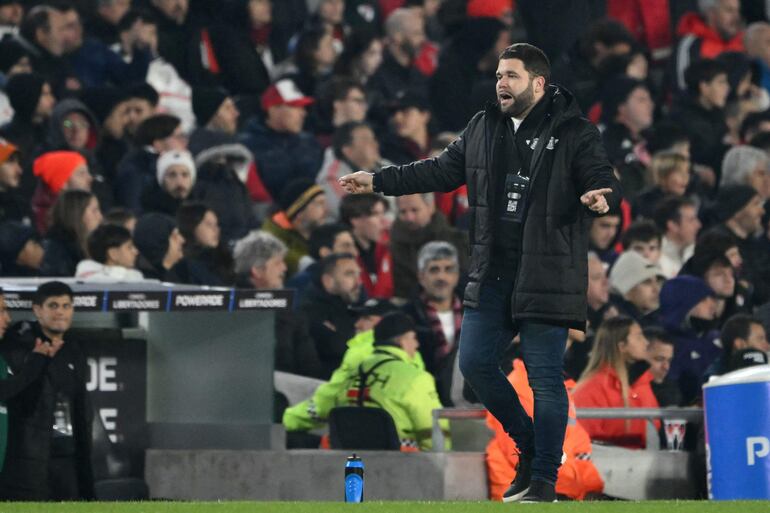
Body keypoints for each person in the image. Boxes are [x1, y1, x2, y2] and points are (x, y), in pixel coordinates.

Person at [339, 43, 621, 502]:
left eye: (511, 75)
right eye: (498, 76)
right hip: (493, 272)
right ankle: (530, 447)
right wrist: (379, 180)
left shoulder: (574, 131)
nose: (501, 84)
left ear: (539, 83)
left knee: (544, 379)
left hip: (547, 273)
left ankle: (546, 480)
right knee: (472, 363)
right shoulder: (484, 125)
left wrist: (602, 196)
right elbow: (438, 171)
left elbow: (601, 175)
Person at [0, 281, 93, 500]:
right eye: (53, 305)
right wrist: (36, 361)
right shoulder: (17, 346)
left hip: (68, 456)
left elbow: (80, 406)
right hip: (29, 459)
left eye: (66, 306)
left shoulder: (74, 350)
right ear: (37, 310)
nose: (60, 312)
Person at [335, 311, 448, 451]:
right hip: (402, 464)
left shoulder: (352, 374)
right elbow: (434, 432)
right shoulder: (415, 378)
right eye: (414, 338)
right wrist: (442, 467)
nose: (417, 344)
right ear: (402, 341)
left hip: (350, 465)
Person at [233, 230, 324, 379]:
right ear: (257, 271)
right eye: (277, 263)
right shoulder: (228, 310)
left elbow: (309, 365)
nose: (284, 268)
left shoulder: (290, 311)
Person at [0, 286, 61, 477]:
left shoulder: (1, 361)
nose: (8, 319)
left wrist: (41, 363)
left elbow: (22, 404)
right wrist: (34, 365)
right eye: (1, 311)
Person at [573, 317, 659, 449]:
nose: (646, 342)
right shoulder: (591, 388)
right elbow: (585, 441)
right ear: (622, 346)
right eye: (638, 337)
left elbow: (655, 426)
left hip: (647, 463)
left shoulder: (643, 381)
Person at [402, 241, 463, 407]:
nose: (441, 277)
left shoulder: (474, 314)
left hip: (464, 403)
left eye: (448, 269)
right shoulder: (406, 316)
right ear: (421, 276)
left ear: (457, 276)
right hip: (423, 402)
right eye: (434, 270)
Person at [389, 193, 468, 300]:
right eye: (403, 212)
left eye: (414, 210)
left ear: (430, 207)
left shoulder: (460, 241)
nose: (409, 218)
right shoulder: (392, 249)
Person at [659, 275, 720, 405]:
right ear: (683, 305)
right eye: (703, 299)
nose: (712, 303)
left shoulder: (715, 339)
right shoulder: (665, 346)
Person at [300, 253, 361, 377]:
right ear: (328, 281)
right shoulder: (309, 312)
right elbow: (336, 347)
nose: (358, 282)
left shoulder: (351, 308)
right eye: (349, 274)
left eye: (358, 274)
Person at [261, 178, 328, 277]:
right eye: (319, 203)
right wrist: (303, 263)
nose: (326, 210)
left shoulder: (323, 234)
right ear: (299, 212)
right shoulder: (272, 237)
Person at [339, 193, 393, 299]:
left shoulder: (388, 247)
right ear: (355, 219)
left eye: (383, 214)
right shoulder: (342, 255)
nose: (384, 221)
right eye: (375, 214)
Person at [40, 190, 103, 277]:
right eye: (94, 211)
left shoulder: (92, 245)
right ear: (77, 213)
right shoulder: (56, 249)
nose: (100, 217)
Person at [608, 251, 665, 327]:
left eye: (657, 281)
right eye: (647, 282)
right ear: (627, 291)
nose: (656, 289)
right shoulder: (620, 328)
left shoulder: (655, 320)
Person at [75, 223, 143, 282]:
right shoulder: (91, 279)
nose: (136, 251)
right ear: (113, 254)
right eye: (129, 247)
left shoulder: (136, 276)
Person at [654, 196, 701, 279]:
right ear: (673, 225)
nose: (698, 225)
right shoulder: (655, 259)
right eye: (691, 220)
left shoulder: (696, 252)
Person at [644, 327, 682, 407]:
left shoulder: (671, 390)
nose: (666, 367)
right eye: (659, 359)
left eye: (669, 360)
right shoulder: (624, 389)